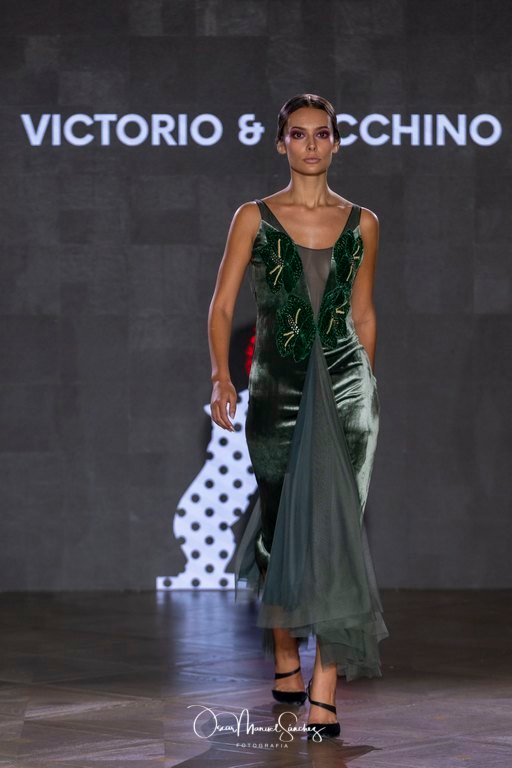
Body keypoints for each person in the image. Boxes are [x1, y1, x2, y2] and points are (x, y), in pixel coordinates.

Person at [208, 93, 389, 740]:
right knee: (279, 526)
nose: (311, 144)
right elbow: (222, 305)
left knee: (339, 534)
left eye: (322, 133)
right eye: (299, 133)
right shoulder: (253, 218)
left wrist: (366, 385)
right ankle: (286, 657)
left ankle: (324, 689)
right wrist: (222, 375)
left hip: (346, 388)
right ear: (280, 142)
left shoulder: (364, 222)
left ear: (337, 142)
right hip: (278, 386)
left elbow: (362, 313)